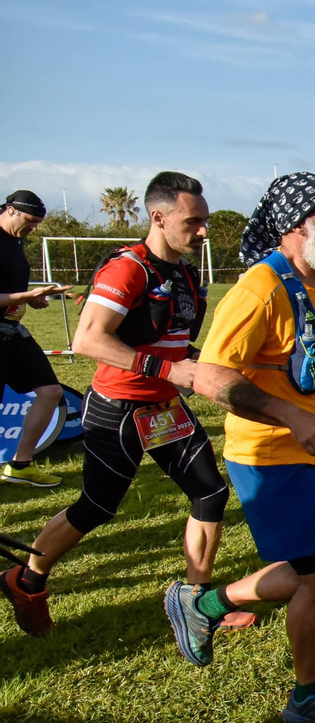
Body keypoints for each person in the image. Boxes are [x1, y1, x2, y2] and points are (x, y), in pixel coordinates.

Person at [179, 172, 315, 723]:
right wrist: (292, 417)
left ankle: (206, 603)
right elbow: (210, 376)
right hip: (271, 457)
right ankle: (308, 695)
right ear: (296, 224)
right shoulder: (259, 288)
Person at [0, 173, 246, 638]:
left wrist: (202, 365)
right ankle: (26, 581)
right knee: (95, 507)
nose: (203, 232)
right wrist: (168, 371)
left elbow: (172, 342)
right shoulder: (127, 268)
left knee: (211, 493)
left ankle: (198, 603)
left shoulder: (185, 273)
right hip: (118, 408)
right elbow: (87, 338)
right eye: (194, 222)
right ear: (158, 217)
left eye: (205, 221)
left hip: (165, 407)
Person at [0, 189, 70, 488]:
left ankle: (20, 465)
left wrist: (30, 299)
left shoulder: (15, 242)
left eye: (38, 222)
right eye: (30, 220)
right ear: (11, 210)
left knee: (51, 391)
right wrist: (24, 296)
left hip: (12, 330)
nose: (34, 227)